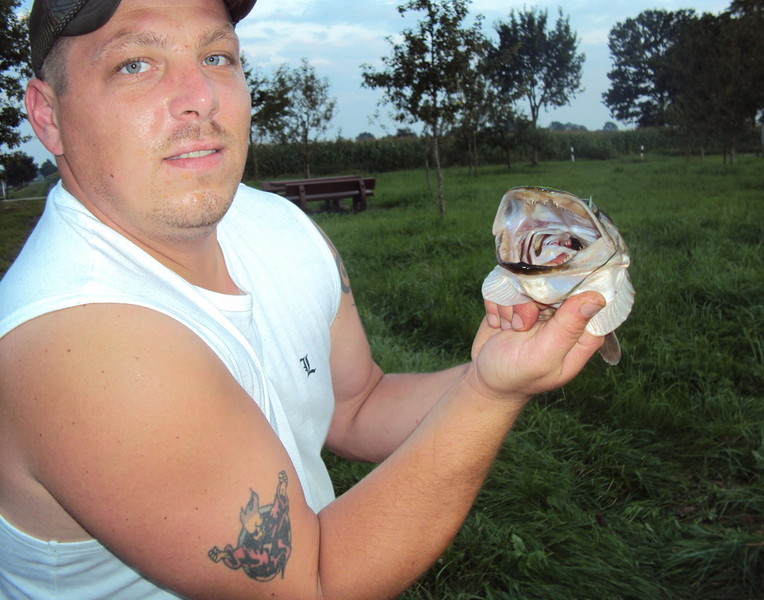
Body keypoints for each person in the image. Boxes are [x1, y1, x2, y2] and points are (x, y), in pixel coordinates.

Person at [0, 0, 607, 597]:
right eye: (135, 64)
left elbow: (356, 405)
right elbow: (314, 582)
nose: (201, 96)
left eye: (216, 57)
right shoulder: (76, 347)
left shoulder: (279, 227)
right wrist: (489, 397)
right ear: (47, 115)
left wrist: (497, 368)